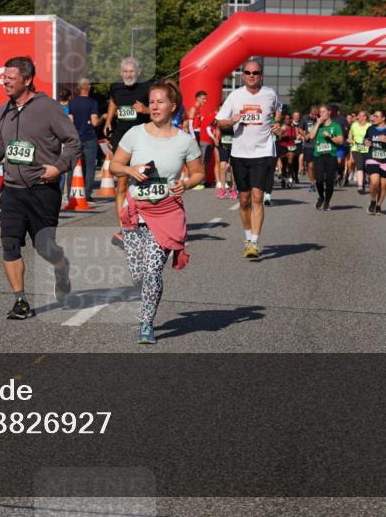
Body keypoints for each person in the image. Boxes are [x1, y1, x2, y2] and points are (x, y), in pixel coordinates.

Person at [0, 56, 81, 320]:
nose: (4, 81)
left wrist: (59, 168)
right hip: (13, 190)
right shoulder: (4, 109)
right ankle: (21, 300)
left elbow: (73, 142)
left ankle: (61, 267)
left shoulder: (48, 107)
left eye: (10, 77)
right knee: (9, 244)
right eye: (4, 77)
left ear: (27, 80)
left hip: (42, 188)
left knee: (44, 246)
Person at [108, 81, 203, 344]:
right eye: (152, 102)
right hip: (136, 213)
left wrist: (186, 183)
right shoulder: (135, 134)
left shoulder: (185, 141)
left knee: (152, 272)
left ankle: (146, 323)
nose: (155, 106)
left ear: (173, 107)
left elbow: (198, 173)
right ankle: (147, 306)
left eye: (160, 102)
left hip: (167, 214)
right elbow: (115, 165)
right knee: (139, 277)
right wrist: (130, 170)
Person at [215, 59, 282, 259]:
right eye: (248, 72)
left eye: (256, 73)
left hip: (263, 152)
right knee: (244, 200)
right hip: (240, 153)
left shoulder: (270, 94)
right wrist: (232, 120)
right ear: (243, 75)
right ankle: (246, 237)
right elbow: (220, 122)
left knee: (257, 197)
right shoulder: (235, 96)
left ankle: (254, 241)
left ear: (261, 75)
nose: (252, 75)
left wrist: (277, 124)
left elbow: (279, 109)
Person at [103, 57, 152, 248]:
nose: (128, 75)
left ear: (138, 72)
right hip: (122, 141)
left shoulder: (148, 86)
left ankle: (145, 224)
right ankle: (125, 228)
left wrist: (145, 109)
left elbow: (161, 108)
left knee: (142, 183)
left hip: (143, 141)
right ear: (120, 72)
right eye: (125, 72)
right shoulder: (116, 86)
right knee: (121, 184)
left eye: (131, 72)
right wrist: (108, 121)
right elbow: (114, 102)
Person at [69, 77, 102, 201]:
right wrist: (102, 118)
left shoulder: (72, 102)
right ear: (89, 87)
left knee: (74, 166)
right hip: (89, 137)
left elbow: (70, 120)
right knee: (89, 167)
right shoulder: (92, 102)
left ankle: (72, 192)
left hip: (76, 137)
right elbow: (94, 122)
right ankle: (87, 194)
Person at [364, 109, 386, 215]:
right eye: (373, 116)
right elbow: (365, 140)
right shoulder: (370, 129)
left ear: (383, 118)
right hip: (372, 157)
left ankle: (378, 206)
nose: (373, 118)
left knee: (383, 185)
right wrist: (366, 142)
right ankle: (373, 201)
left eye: (376, 116)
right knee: (374, 181)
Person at [310, 105, 344, 210]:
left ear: (329, 112)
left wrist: (330, 136)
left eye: (324, 111)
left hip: (331, 155)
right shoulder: (318, 125)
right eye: (320, 112)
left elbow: (341, 141)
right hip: (319, 155)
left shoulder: (336, 126)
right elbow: (311, 136)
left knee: (329, 181)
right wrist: (318, 123)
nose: (322, 114)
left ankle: (327, 202)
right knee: (319, 180)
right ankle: (321, 197)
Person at [348, 110, 370, 194]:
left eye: (360, 115)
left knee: (365, 167)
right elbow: (350, 133)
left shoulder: (369, 126)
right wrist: (350, 139)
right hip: (356, 148)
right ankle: (360, 186)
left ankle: (363, 183)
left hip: (366, 149)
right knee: (359, 166)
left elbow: (372, 136)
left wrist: (369, 142)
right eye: (358, 115)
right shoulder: (354, 125)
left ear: (365, 117)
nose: (358, 117)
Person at [301, 106, 319, 193]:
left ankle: (318, 181)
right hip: (309, 145)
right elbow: (300, 129)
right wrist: (305, 136)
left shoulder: (319, 119)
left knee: (318, 166)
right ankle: (312, 183)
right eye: (312, 114)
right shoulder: (305, 119)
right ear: (310, 112)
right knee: (310, 166)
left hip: (319, 145)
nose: (313, 116)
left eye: (315, 114)